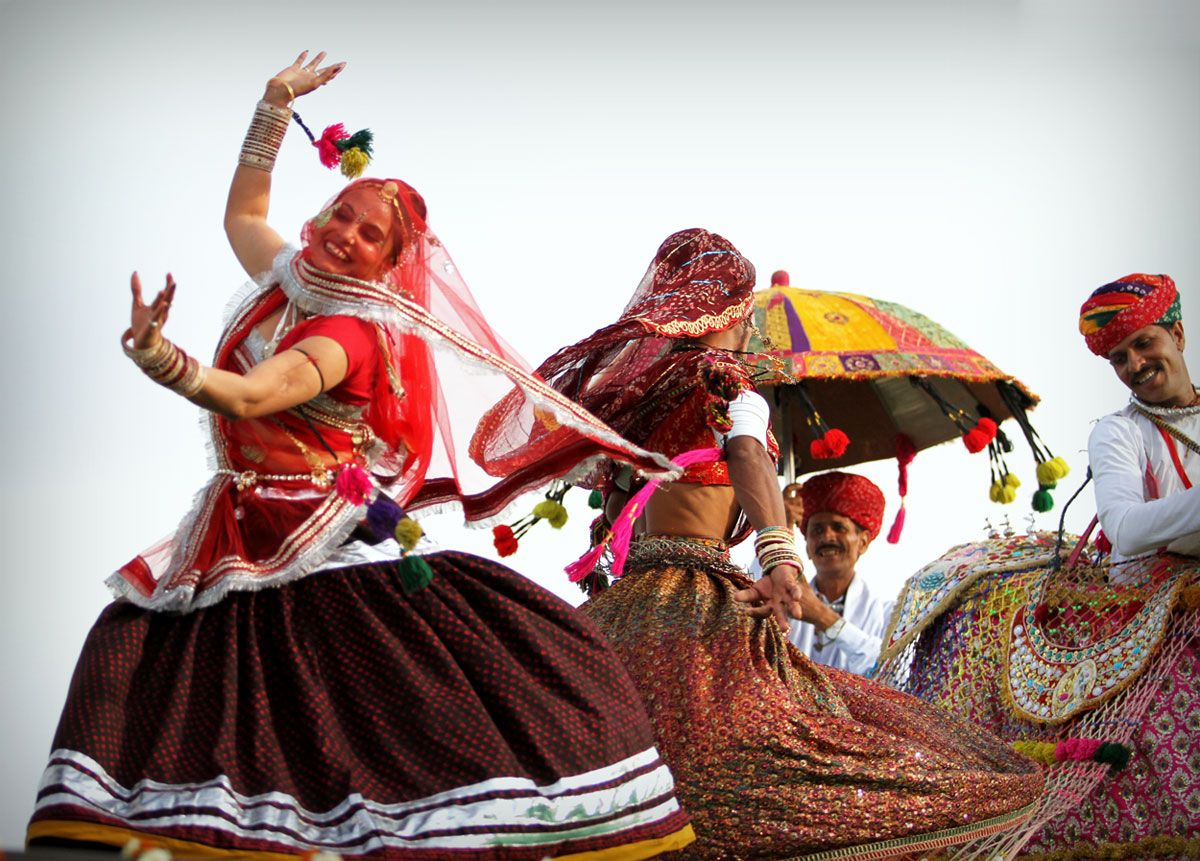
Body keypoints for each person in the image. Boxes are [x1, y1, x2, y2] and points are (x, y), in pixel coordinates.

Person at [27, 53, 695, 860]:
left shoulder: (346, 333)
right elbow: (243, 215)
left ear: (389, 263)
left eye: (368, 233)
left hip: (311, 530)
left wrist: (157, 356)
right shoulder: (296, 278)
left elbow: (246, 396)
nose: (344, 234)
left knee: (311, 702)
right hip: (240, 520)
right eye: (340, 214)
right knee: (139, 647)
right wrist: (272, 107)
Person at [502, 228, 1045, 860]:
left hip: (626, 607)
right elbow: (747, 457)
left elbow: (618, 512)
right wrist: (780, 555)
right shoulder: (728, 382)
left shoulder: (639, 400)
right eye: (745, 317)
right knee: (770, 750)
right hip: (699, 598)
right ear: (730, 314)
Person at [1080, 273, 1199, 560]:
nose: (1135, 365)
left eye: (1144, 343)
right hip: (1154, 592)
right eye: (1120, 359)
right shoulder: (1116, 431)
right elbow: (1124, 529)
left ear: (1178, 336)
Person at [789, 471, 894, 675]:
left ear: (862, 542)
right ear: (807, 545)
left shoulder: (887, 615)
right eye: (817, 530)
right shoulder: (786, 601)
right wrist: (780, 528)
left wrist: (823, 617)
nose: (827, 536)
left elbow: (886, 671)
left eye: (839, 528)